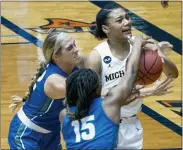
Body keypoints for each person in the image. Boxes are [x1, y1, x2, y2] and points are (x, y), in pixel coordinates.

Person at [85, 3, 178, 149]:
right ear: (105, 28)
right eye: (119, 20)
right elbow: (91, 97)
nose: (127, 22)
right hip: (105, 125)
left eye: (127, 17)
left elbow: (173, 74)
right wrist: (147, 92)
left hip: (132, 127)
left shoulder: (142, 45)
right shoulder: (96, 57)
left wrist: (159, 53)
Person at [60, 36, 149, 149]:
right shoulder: (109, 104)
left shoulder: (64, 114)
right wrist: (137, 44)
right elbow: (131, 73)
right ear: (97, 89)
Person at [8, 31, 83, 150]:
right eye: (70, 48)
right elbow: (92, 93)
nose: (76, 49)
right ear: (56, 56)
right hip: (27, 134)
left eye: (74, 44)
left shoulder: (71, 66)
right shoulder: (54, 82)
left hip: (51, 133)